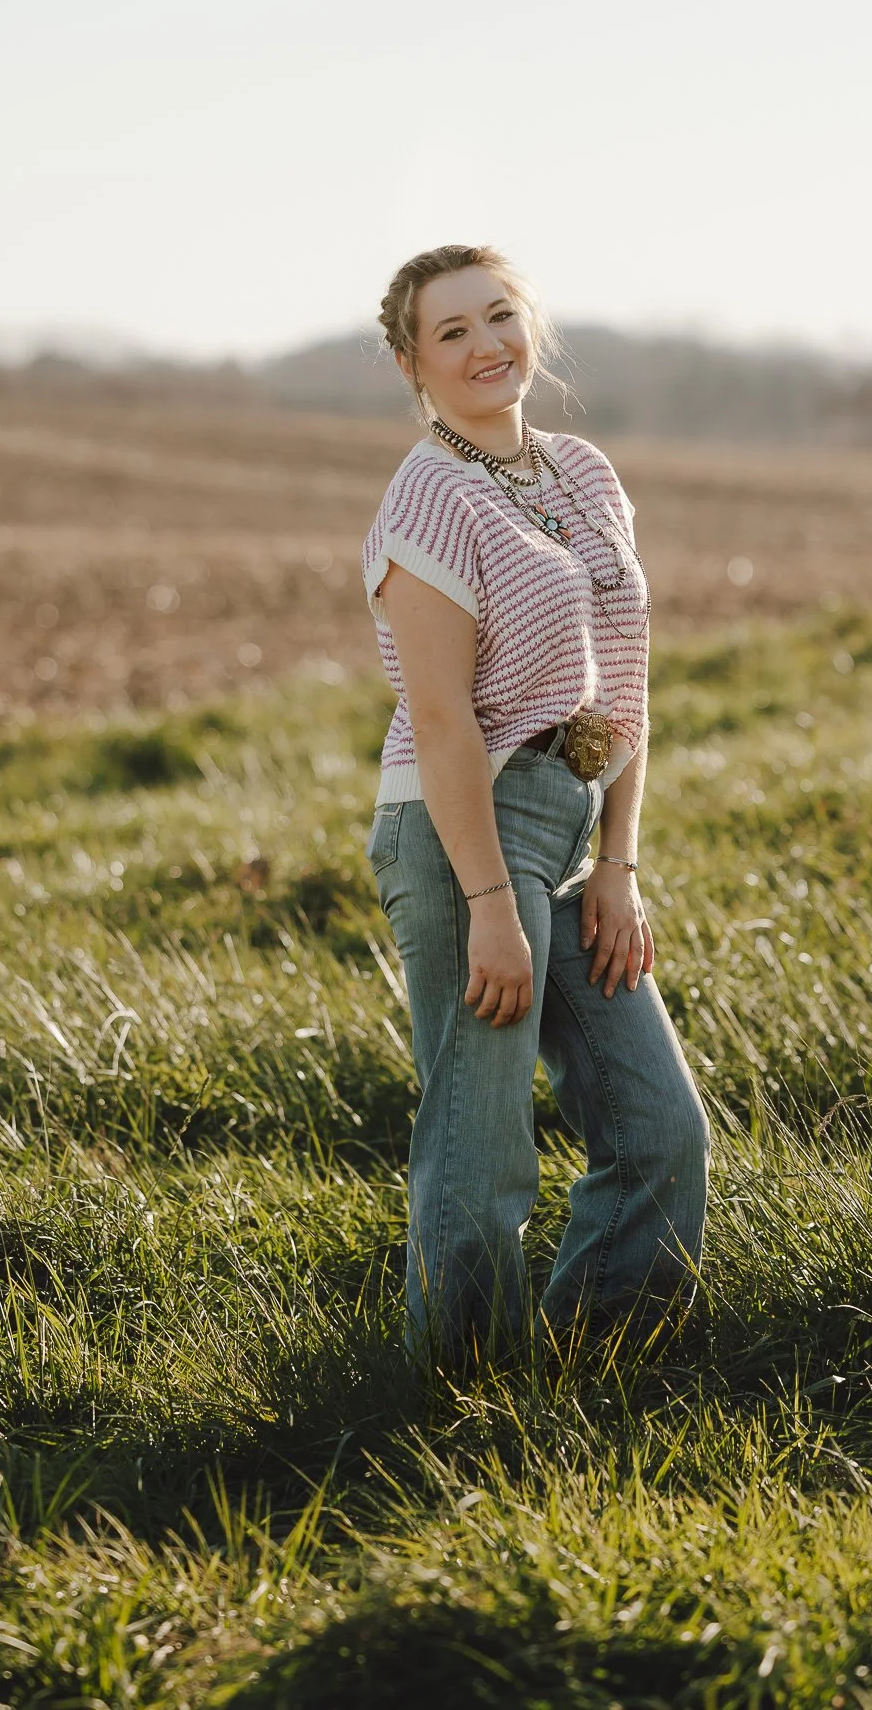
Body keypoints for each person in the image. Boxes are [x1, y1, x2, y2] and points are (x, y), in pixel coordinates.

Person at [361, 243, 710, 1368]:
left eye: (499, 316)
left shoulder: (584, 473)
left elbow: (626, 678)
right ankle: (460, 1399)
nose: (484, 345)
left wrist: (620, 862)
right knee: (482, 1145)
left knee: (660, 1127)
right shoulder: (428, 494)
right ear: (414, 362)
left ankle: (597, 1366)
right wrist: (490, 902)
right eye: (451, 330)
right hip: (465, 828)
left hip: (572, 822)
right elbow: (448, 720)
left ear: (534, 326)